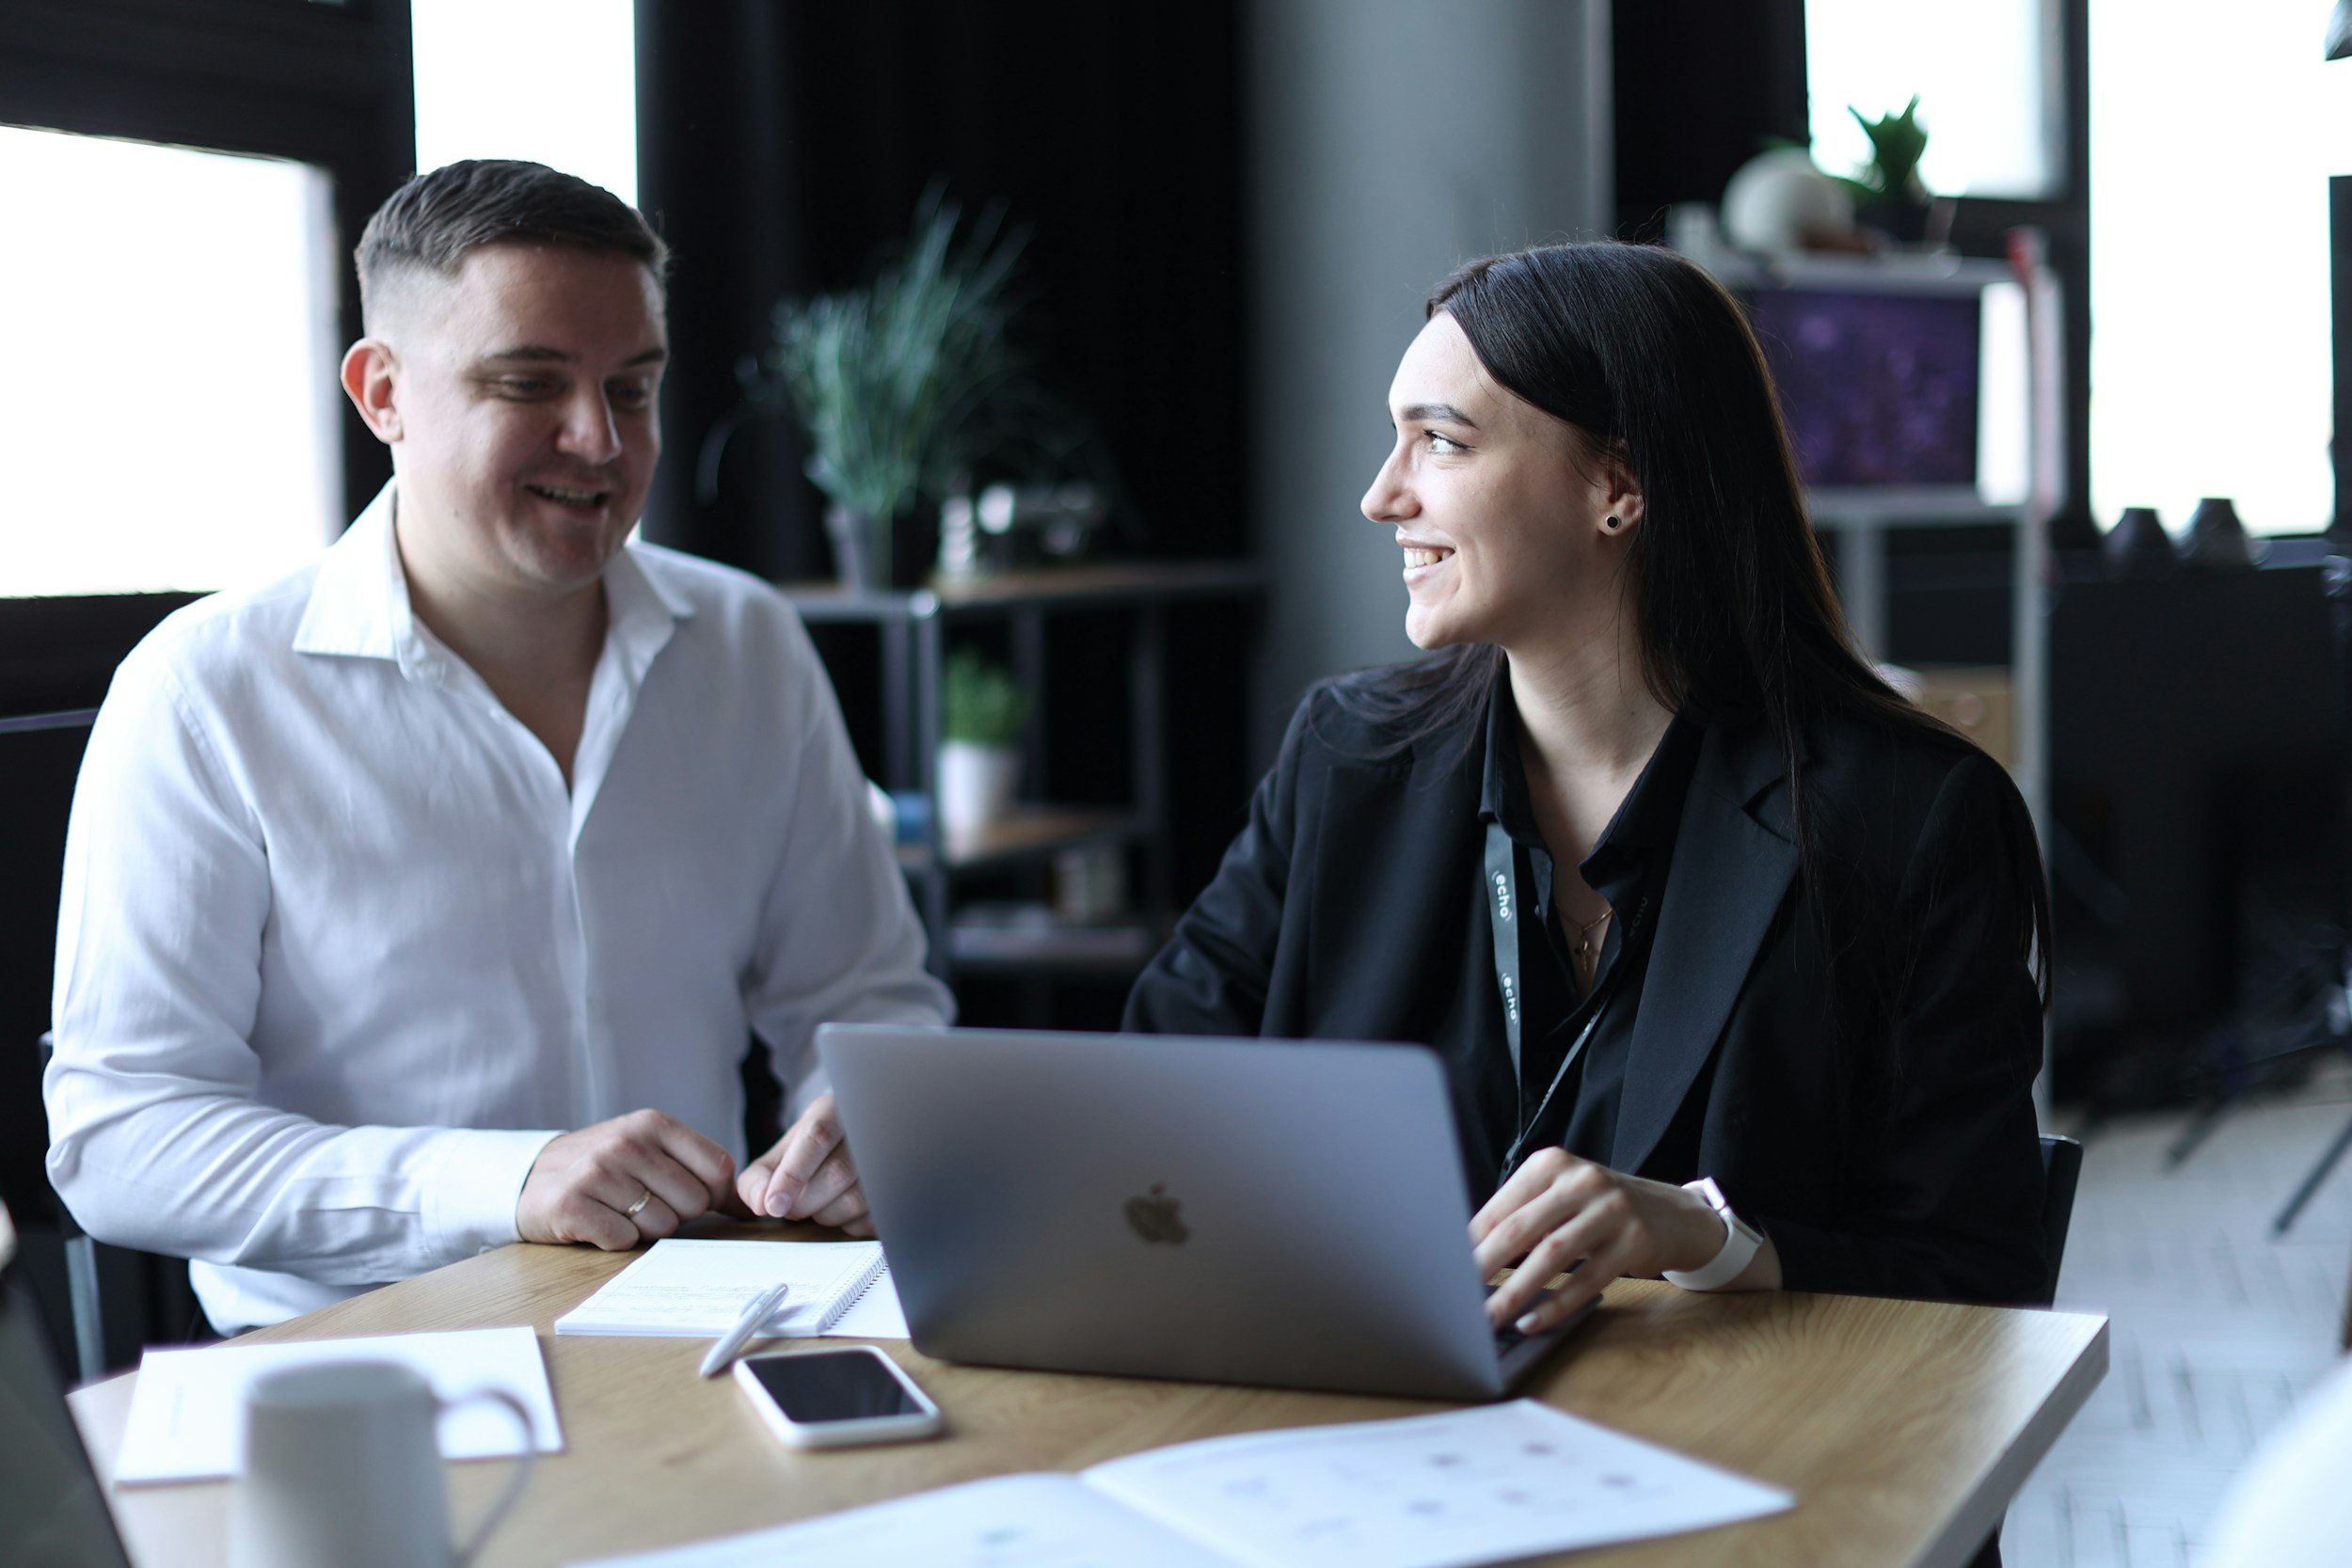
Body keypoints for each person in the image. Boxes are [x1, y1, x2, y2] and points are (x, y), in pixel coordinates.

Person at [42, 160, 950, 1332]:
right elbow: (125, 1137)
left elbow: (862, 996)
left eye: (633, 387)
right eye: (530, 382)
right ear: (383, 393)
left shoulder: (748, 642)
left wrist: (863, 1122)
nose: (600, 440)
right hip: (363, 1351)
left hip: (715, 1317)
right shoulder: (204, 690)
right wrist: (500, 1184)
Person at [1124, 240, 2051, 1335]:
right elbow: (1149, 1110)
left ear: (1617, 485)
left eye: (1439, 440)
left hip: (1744, 1465)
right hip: (1360, 1429)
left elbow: (1975, 1279)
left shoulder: (1906, 820)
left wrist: (1708, 1238)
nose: (1381, 496)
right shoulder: (1345, 759)